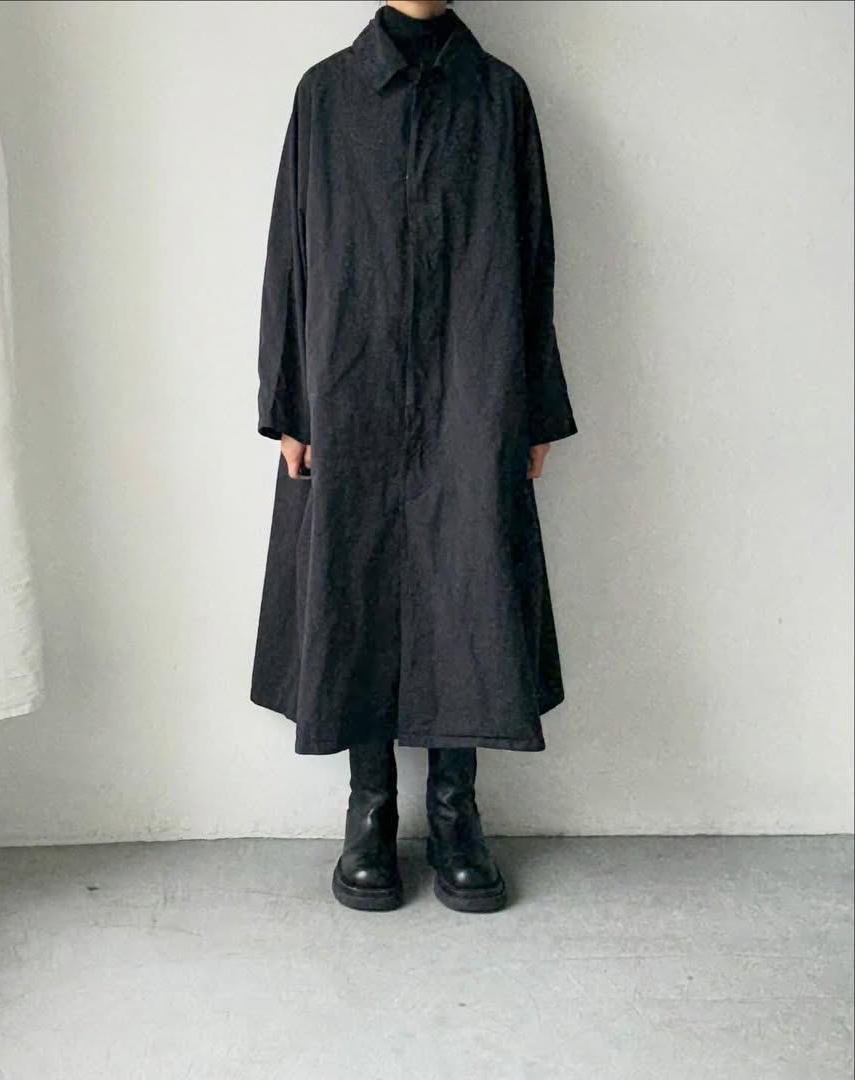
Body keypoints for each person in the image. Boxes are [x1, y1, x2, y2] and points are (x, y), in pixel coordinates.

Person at [251, 0, 578, 913]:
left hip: (473, 381)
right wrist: (287, 401)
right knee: (355, 577)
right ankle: (370, 809)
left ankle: (455, 812)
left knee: (466, 581)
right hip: (347, 381)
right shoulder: (325, 96)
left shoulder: (500, 98)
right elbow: (289, 257)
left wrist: (535, 405)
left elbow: (534, 258)